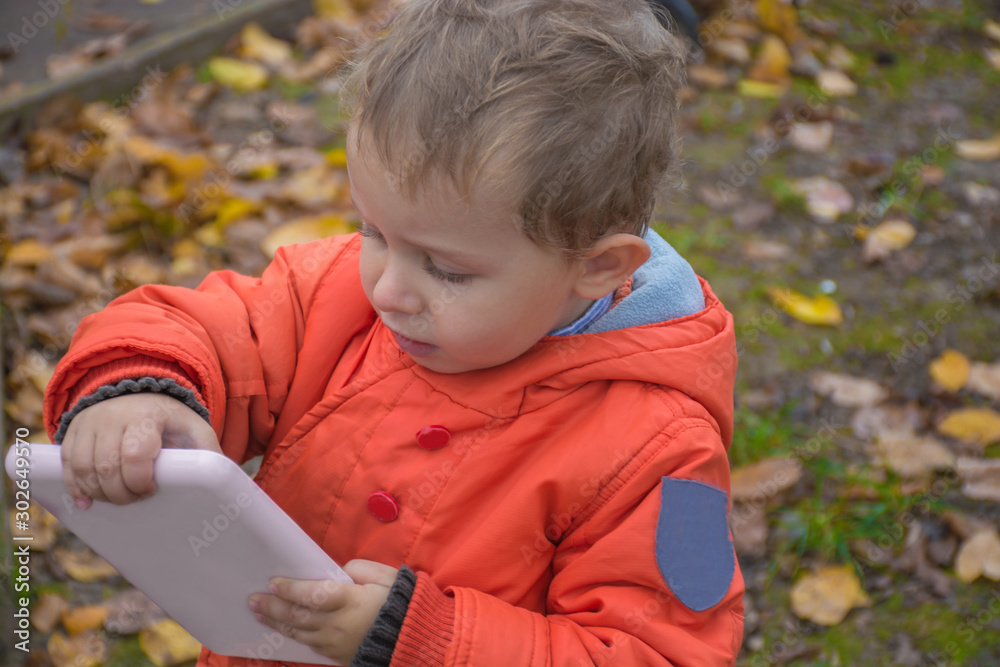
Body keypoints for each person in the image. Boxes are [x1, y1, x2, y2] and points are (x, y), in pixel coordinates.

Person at [43, 0, 744, 664]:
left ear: (596, 266)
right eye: (374, 230)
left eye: (447, 270)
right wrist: (138, 389)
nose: (387, 288)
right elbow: (199, 328)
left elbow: (664, 648)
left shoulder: (665, 452)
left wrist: (422, 639)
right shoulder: (338, 291)